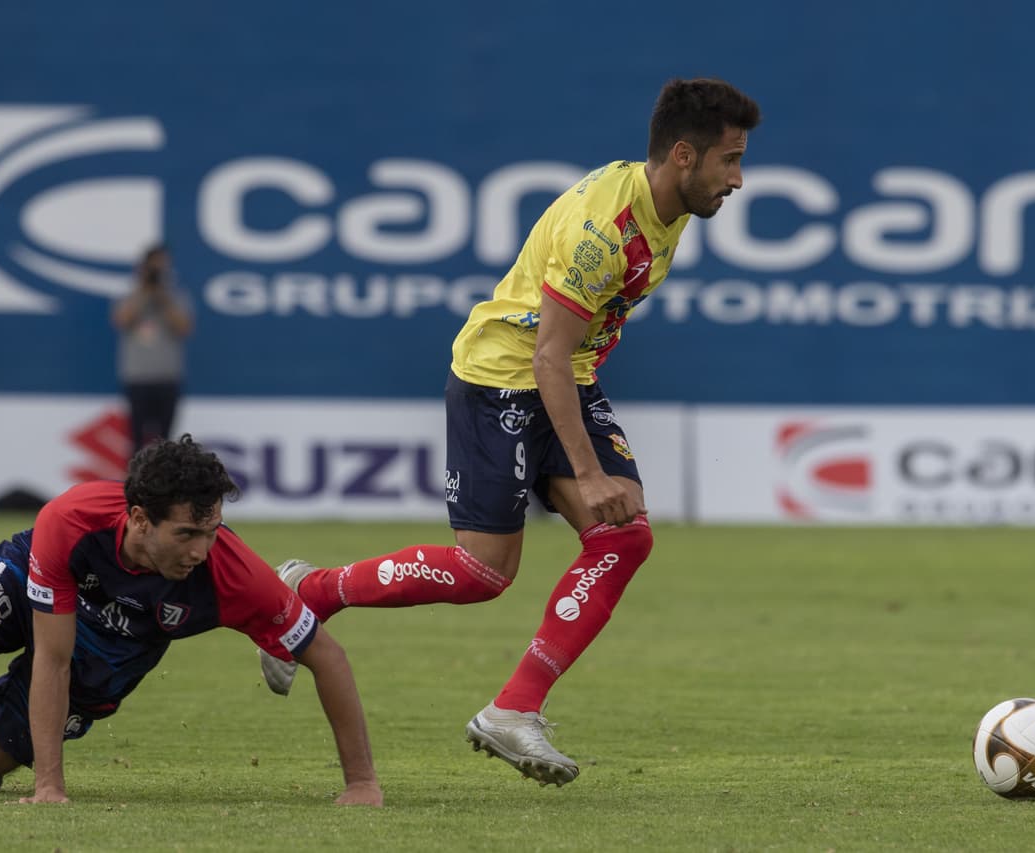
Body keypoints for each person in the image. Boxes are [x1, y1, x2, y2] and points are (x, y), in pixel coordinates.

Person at [260, 77, 761, 787]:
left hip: (566, 372)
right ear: (684, 155)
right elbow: (546, 353)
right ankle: (312, 591)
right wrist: (587, 475)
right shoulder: (604, 232)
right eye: (730, 160)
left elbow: (568, 355)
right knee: (483, 573)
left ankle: (513, 708)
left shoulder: (667, 201)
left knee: (626, 535)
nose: (738, 179)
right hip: (504, 374)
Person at [0, 435, 382, 807]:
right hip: (40, 578)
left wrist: (361, 785)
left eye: (213, 530)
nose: (201, 549)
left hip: (121, 647)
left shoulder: (232, 573)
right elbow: (53, 656)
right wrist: (50, 786)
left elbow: (327, 657)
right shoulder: (70, 521)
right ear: (139, 519)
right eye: (187, 534)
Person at [112, 245, 193, 455]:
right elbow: (122, 320)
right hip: (138, 377)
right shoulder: (130, 297)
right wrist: (145, 291)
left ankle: (163, 483)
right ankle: (133, 482)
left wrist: (162, 297)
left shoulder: (176, 297)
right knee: (136, 438)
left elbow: (183, 327)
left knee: (166, 441)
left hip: (167, 377)